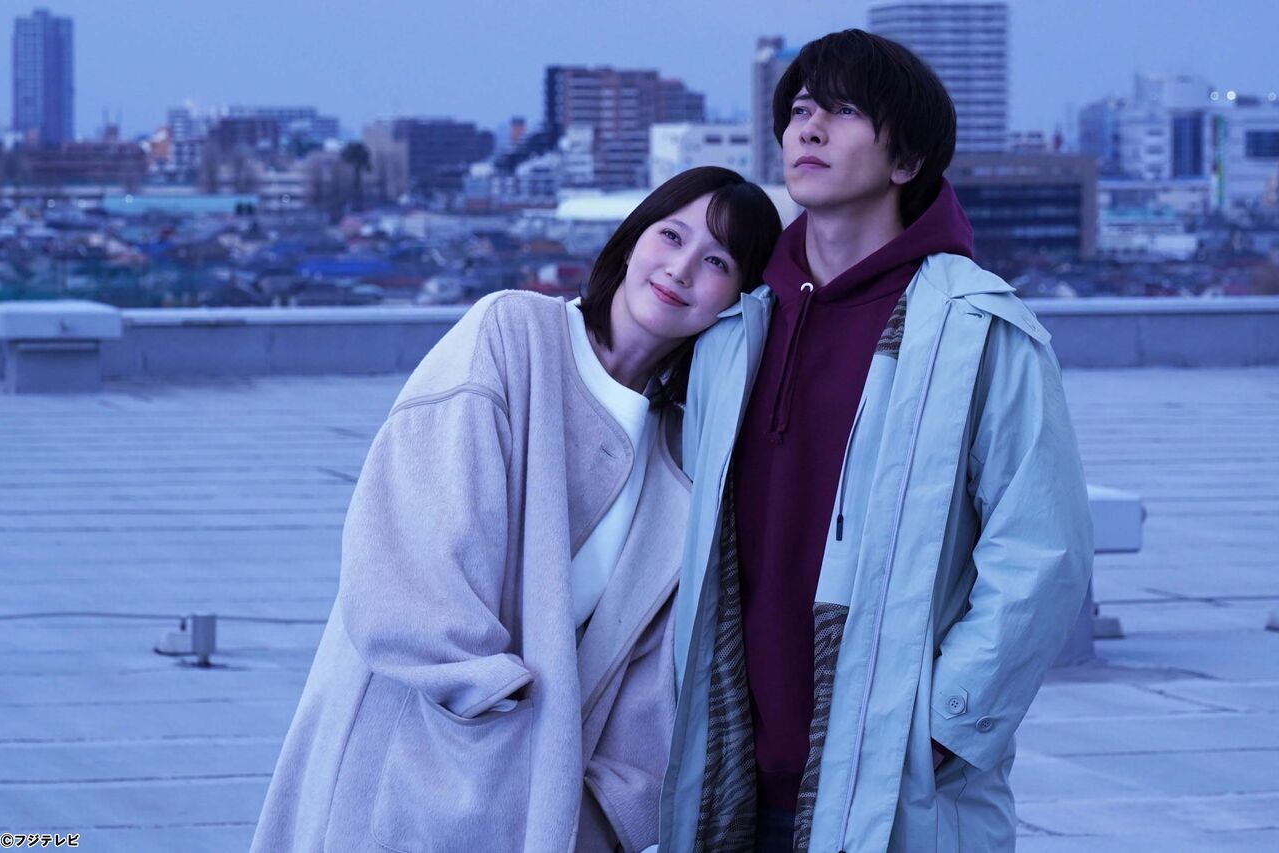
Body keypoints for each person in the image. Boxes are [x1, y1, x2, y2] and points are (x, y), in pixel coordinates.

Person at [249, 166, 781, 853]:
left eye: (716, 261)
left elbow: (650, 674)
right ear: (631, 241)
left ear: (735, 299)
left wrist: (612, 811)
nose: (680, 268)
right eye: (671, 236)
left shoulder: (681, 449)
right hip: (410, 755)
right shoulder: (514, 333)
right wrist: (490, 707)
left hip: (542, 809)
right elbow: (411, 553)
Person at [658, 30, 1093, 853]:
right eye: (800, 110)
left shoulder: (976, 327)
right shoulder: (735, 328)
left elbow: (1042, 550)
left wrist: (942, 727)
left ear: (907, 161)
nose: (810, 128)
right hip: (728, 779)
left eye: (845, 110)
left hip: (893, 783)